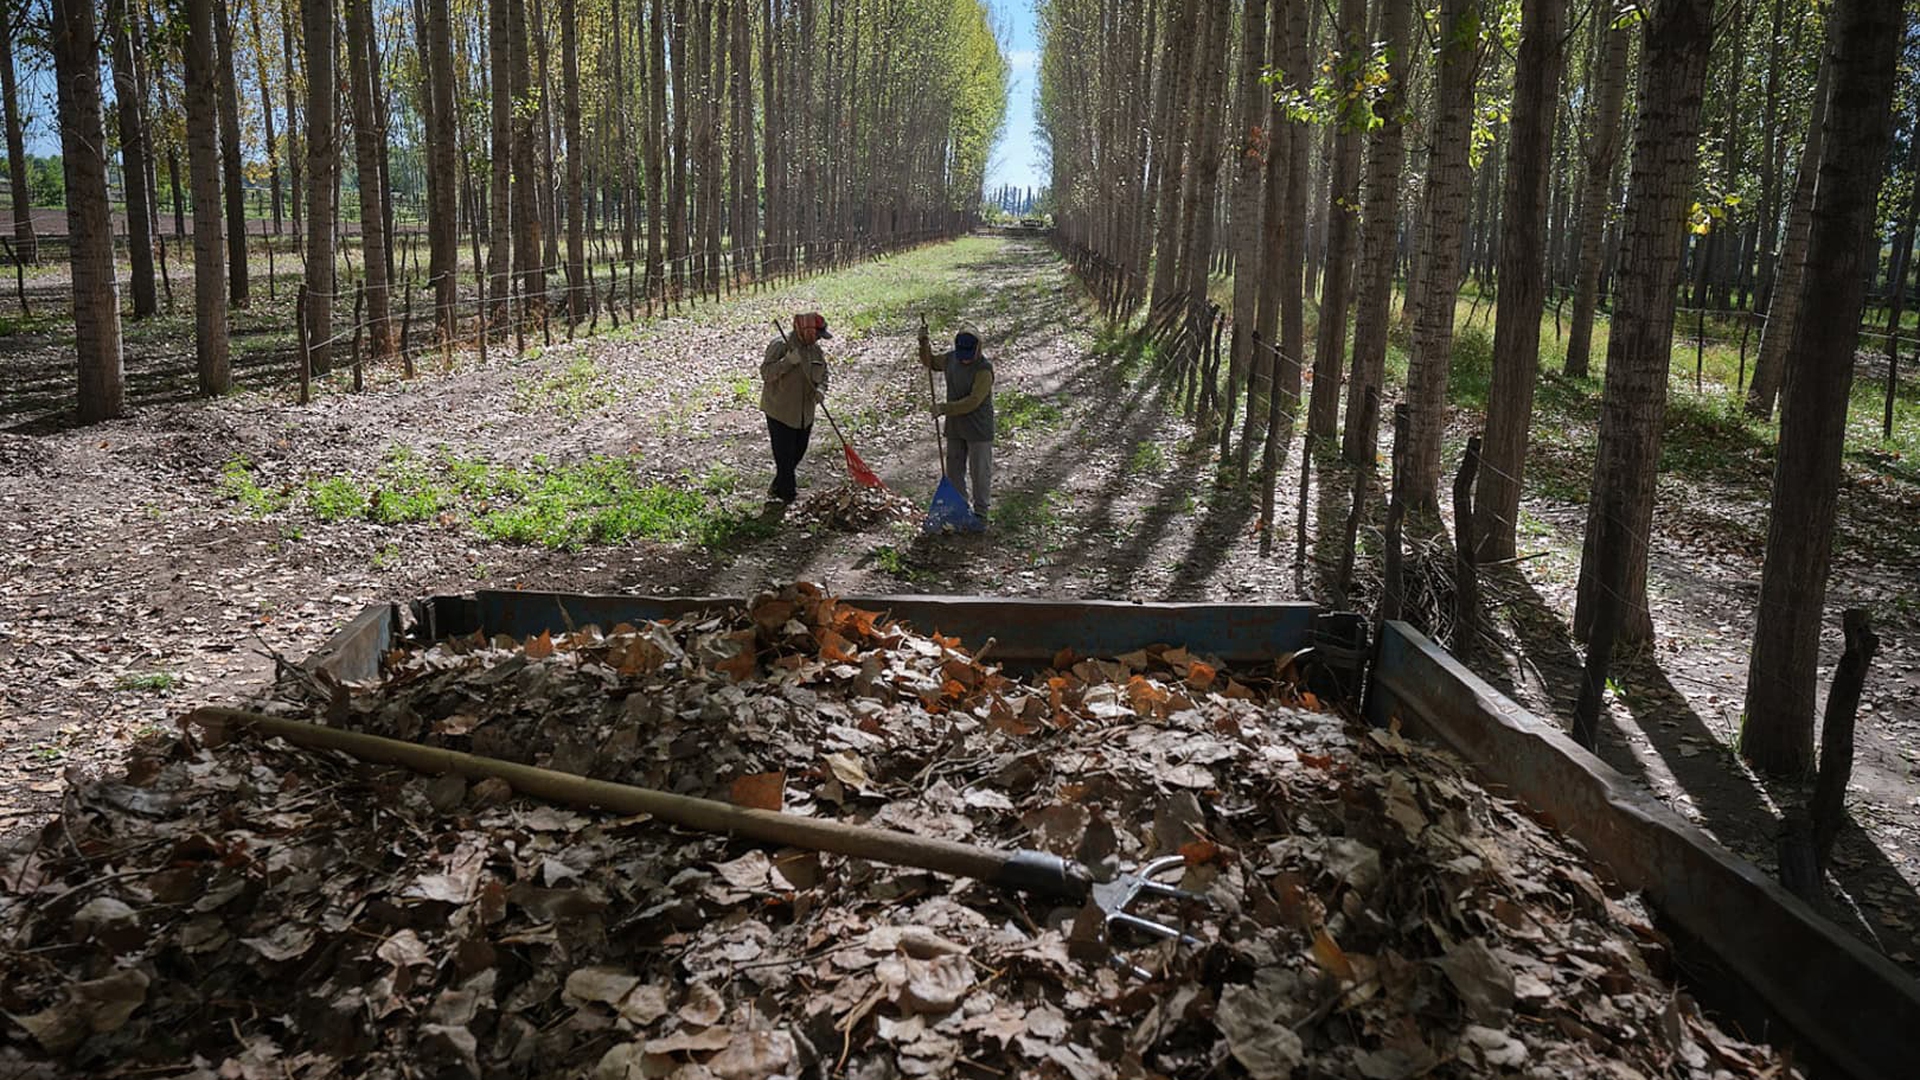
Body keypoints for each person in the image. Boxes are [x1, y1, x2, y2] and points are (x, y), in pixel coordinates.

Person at [919, 320, 995, 523]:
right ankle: (960, 508)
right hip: (956, 426)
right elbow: (930, 362)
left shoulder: (984, 370)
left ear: (978, 348)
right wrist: (923, 342)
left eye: (969, 354)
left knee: (979, 472)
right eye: (962, 354)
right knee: (954, 469)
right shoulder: (951, 358)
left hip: (979, 427)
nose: (965, 360)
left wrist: (944, 408)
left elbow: (973, 401)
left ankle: (980, 513)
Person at [761, 312, 832, 504]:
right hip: (780, 411)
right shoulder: (780, 345)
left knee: (798, 452)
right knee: (785, 457)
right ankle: (787, 497)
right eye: (818, 334)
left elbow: (824, 374)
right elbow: (766, 373)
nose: (819, 338)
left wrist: (821, 390)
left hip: (805, 413)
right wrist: (787, 362)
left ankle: (778, 485)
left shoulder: (816, 351)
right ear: (807, 330)